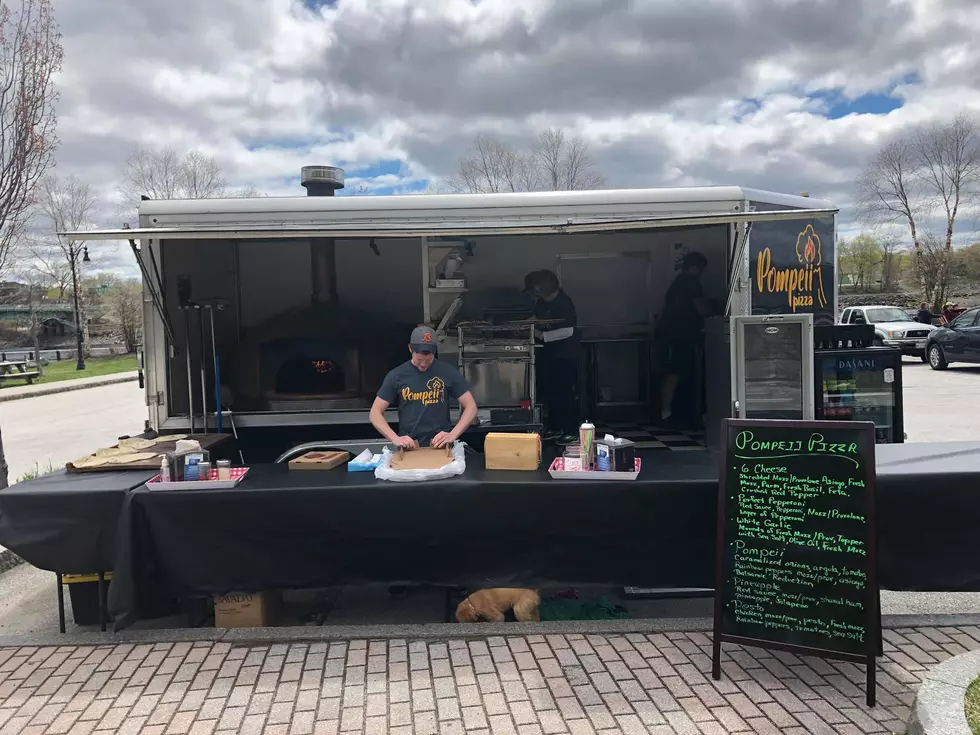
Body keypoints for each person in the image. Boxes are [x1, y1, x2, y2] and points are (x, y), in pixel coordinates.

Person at [370, 325, 478, 448]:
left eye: (428, 360)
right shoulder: (396, 376)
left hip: (441, 446)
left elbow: (471, 407)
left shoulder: (447, 372)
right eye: (419, 359)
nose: (423, 364)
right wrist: (395, 438)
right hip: (409, 448)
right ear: (410, 349)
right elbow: (375, 413)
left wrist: (453, 434)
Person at [526, 269, 580, 442]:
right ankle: (556, 427)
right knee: (552, 393)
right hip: (549, 356)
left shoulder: (563, 303)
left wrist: (543, 336)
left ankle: (571, 431)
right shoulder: (542, 303)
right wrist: (525, 324)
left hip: (565, 356)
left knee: (565, 393)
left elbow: (568, 330)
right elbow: (536, 317)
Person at [658, 251, 711, 423]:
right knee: (675, 373)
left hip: (670, 334)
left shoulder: (678, 282)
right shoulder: (690, 282)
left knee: (673, 373)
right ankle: (667, 412)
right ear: (695, 267)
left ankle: (668, 411)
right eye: (701, 269)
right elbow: (701, 308)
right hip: (680, 335)